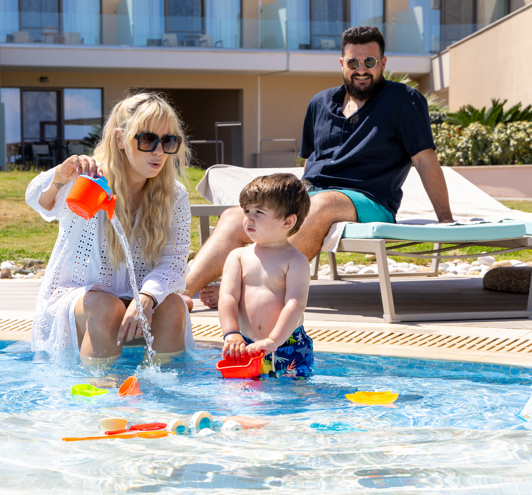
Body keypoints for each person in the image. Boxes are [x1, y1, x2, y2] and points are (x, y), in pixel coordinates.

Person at [181, 25, 454, 310]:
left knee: (323, 204)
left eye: (370, 62)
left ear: (383, 63)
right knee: (235, 216)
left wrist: (446, 221)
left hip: (369, 199)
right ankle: (180, 293)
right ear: (342, 64)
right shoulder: (320, 103)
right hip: (312, 193)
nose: (361, 69)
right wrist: (289, 198)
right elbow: (310, 162)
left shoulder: (403, 101)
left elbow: (425, 160)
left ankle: (255, 289)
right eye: (353, 62)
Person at [26, 92, 193, 365]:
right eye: (148, 139)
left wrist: (148, 298)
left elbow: (174, 263)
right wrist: (59, 177)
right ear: (120, 139)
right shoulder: (91, 179)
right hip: (80, 299)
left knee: (174, 306)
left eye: (168, 141)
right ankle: (102, 398)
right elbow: (40, 203)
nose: (159, 151)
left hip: (136, 300)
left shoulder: (174, 195)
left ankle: (165, 397)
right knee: (108, 308)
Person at [219, 173, 314, 378]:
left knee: (293, 396)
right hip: (245, 343)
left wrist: (273, 341)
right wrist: (231, 333)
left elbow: (294, 304)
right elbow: (228, 297)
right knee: (244, 392)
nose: (249, 218)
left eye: (259, 212)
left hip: (288, 344)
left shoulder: (296, 261)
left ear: (288, 222)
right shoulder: (238, 256)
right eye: (247, 211)